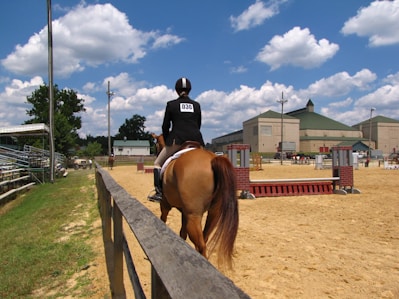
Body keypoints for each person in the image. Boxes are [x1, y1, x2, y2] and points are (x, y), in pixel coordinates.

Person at [148, 77, 205, 202]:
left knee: (157, 164)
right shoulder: (196, 105)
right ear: (189, 90)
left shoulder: (171, 104)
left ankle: (159, 193)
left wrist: (168, 140)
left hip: (177, 141)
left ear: (176, 90)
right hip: (196, 141)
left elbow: (165, 126)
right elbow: (198, 124)